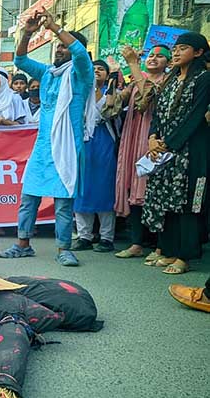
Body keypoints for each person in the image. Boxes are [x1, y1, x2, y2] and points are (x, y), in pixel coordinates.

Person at [0, 8, 93, 267]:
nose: (58, 50)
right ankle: (23, 244)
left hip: (67, 147)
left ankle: (64, 248)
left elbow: (82, 55)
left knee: (63, 203)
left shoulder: (81, 75)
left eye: (63, 46)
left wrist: (56, 28)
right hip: (42, 148)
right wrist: (27, 34)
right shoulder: (50, 74)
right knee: (29, 197)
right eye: (57, 47)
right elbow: (20, 62)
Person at [141, 32, 210, 275]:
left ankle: (185, 255)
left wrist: (168, 143)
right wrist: (152, 138)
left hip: (192, 152)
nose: (177, 52)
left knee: (190, 203)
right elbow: (157, 113)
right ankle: (168, 250)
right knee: (167, 200)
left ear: (199, 52)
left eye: (184, 48)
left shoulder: (204, 78)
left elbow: (195, 116)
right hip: (166, 150)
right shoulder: (170, 80)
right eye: (176, 48)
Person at [111, 45, 170, 261]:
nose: (154, 58)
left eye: (160, 56)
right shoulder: (136, 78)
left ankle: (160, 246)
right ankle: (136, 243)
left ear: (168, 62)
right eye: (151, 55)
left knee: (153, 190)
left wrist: (133, 64)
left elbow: (147, 95)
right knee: (133, 187)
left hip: (152, 139)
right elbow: (113, 106)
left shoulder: (167, 81)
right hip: (132, 137)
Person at [71, 60, 121, 253]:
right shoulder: (80, 91)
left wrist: (109, 86)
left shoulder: (112, 92)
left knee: (104, 188)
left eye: (101, 69)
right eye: (93, 69)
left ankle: (107, 237)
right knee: (82, 188)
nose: (96, 71)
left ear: (107, 74)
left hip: (103, 140)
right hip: (82, 141)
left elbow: (111, 111)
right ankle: (84, 236)